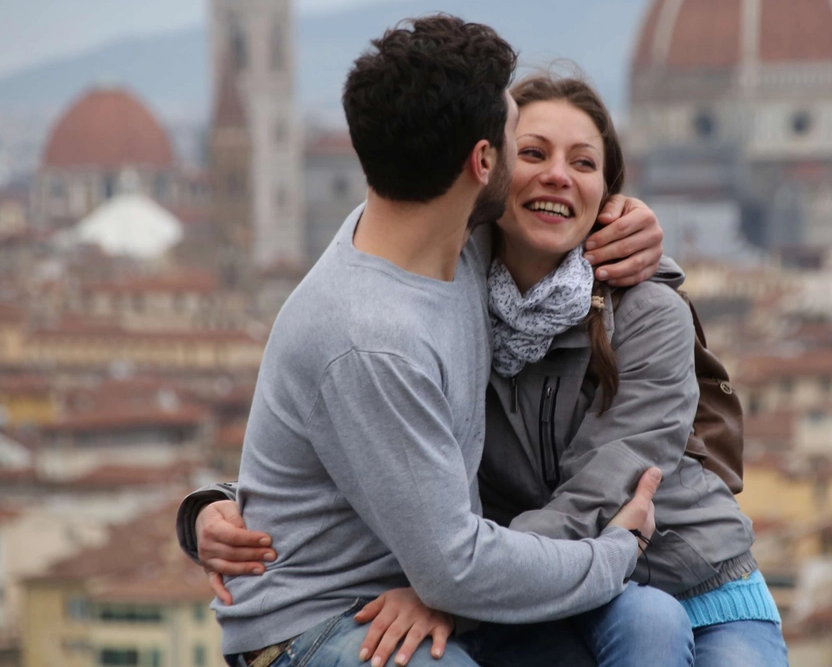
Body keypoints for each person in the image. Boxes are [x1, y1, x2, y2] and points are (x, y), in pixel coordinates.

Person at [186, 72, 789, 667]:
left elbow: (598, 499)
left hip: (693, 580)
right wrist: (216, 509)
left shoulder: (646, 309)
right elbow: (380, 437)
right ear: (491, 169)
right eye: (532, 152)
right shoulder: (443, 295)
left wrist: (453, 597)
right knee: (642, 621)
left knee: (652, 621)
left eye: (583, 163)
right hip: (555, 589)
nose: (557, 174)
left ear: (608, 192)